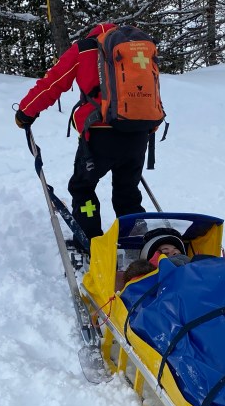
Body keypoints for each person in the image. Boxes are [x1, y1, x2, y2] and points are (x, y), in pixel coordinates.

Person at [13, 23, 151, 247]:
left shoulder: (85, 49)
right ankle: (135, 237)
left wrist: (25, 112)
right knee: (127, 189)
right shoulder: (137, 49)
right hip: (138, 133)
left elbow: (53, 83)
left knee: (82, 187)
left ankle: (89, 240)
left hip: (100, 135)